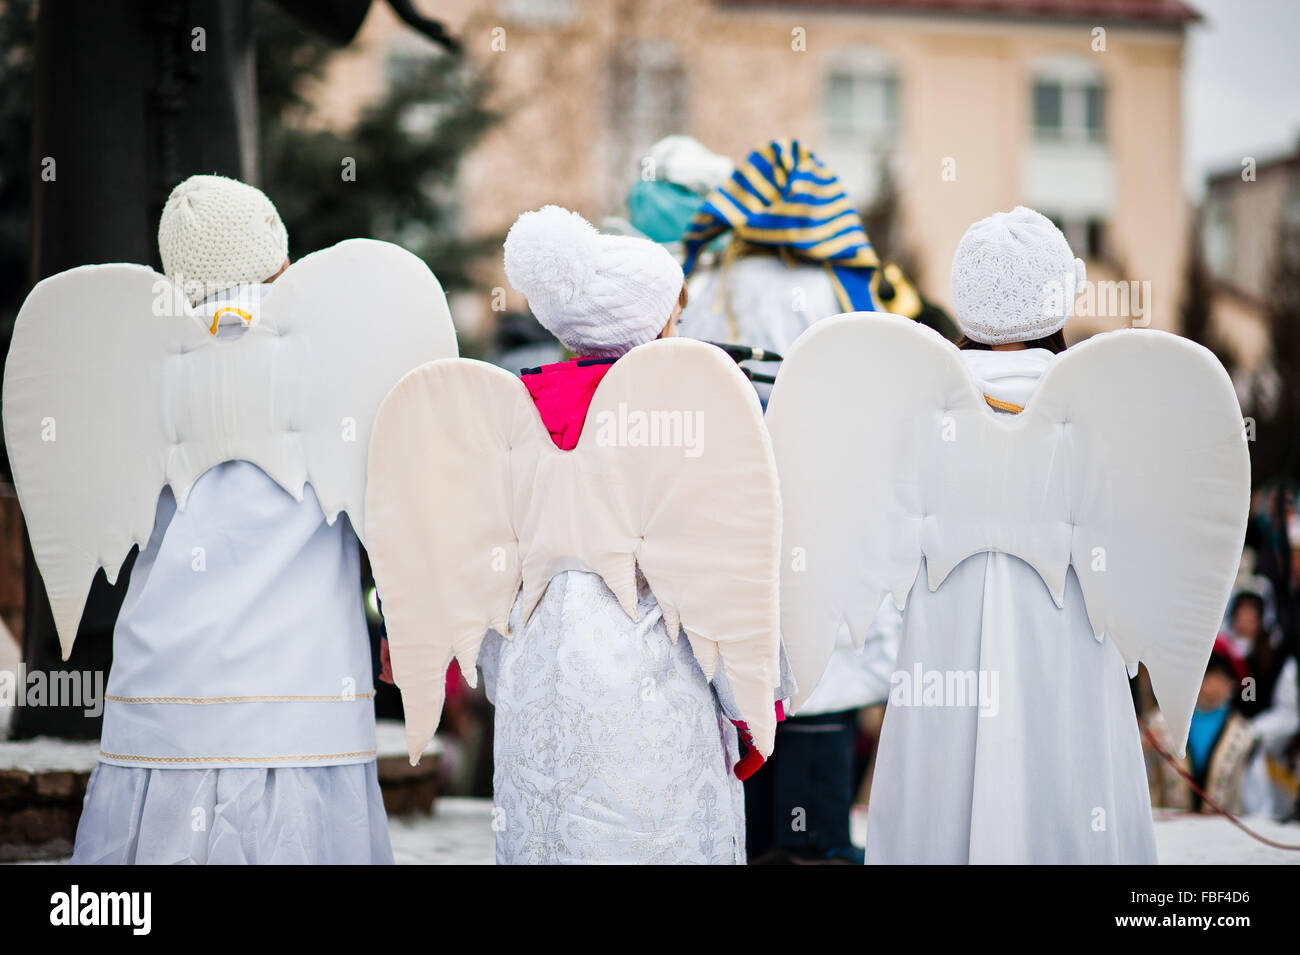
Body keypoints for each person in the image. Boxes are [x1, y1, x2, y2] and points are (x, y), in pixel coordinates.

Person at [764, 206, 1249, 863]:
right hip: (1068, 653)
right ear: (1055, 300)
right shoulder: (1108, 411)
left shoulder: (910, 407)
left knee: (943, 795)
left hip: (943, 656)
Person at [3, 174, 456, 863]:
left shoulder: (135, 361)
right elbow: (401, 496)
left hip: (169, 689)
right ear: (276, 254)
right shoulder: (338, 347)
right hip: (304, 686)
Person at [365, 205, 790, 863]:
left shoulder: (510, 413)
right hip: (652, 694)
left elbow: (482, 564)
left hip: (538, 692)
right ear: (652, 325)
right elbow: (719, 572)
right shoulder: (682, 414)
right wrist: (753, 701)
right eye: (674, 318)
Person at [1147, 636, 1261, 815]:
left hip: (1226, 837)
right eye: (1207, 677)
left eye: (1221, 678)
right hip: (1169, 834)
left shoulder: (1244, 734)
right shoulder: (1159, 725)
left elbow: (1256, 800)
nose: (1213, 686)